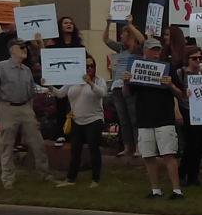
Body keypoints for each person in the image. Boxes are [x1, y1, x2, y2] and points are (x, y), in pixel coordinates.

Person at [123, 38, 185, 199]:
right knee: (148, 155)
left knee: (168, 154)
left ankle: (176, 190)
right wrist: (125, 82)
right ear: (145, 52)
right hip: (144, 118)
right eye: (153, 50)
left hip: (164, 117)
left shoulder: (168, 68)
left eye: (158, 50)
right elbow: (127, 94)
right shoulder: (137, 69)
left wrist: (170, 85)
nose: (156, 53)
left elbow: (180, 93)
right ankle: (155, 189)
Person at [0, 38, 54, 187]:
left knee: (38, 142)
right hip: (6, 107)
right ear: (11, 50)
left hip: (25, 107)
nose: (25, 50)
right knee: (7, 145)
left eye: (25, 47)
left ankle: (44, 174)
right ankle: (8, 180)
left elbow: (31, 94)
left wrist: (31, 111)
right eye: (21, 47)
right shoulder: (0, 67)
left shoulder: (26, 70)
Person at [46, 55, 107, 187]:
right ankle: (70, 179)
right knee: (75, 150)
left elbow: (102, 94)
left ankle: (95, 179)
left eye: (92, 66)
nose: (89, 68)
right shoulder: (72, 80)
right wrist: (49, 85)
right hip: (77, 120)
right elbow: (61, 94)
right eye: (87, 66)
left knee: (93, 148)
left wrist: (90, 83)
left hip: (94, 119)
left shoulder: (99, 80)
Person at [102, 14, 145, 157]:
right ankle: (128, 147)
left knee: (134, 118)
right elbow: (106, 39)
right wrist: (108, 24)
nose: (121, 36)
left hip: (131, 85)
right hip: (117, 86)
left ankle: (139, 147)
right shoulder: (121, 48)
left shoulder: (138, 49)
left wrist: (130, 25)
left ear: (129, 34)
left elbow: (141, 39)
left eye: (123, 33)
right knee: (124, 120)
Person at [46, 16, 84, 148]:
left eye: (71, 23)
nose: (69, 25)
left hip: (75, 80)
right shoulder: (53, 42)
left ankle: (76, 134)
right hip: (59, 80)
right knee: (61, 108)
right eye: (65, 23)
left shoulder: (78, 43)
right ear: (60, 27)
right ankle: (60, 134)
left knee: (76, 107)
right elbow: (46, 60)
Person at [176, 45, 202, 187]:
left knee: (199, 144)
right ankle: (182, 173)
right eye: (194, 58)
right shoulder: (181, 73)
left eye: (199, 58)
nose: (197, 60)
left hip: (201, 110)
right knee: (190, 143)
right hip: (186, 108)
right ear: (187, 59)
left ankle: (194, 176)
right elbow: (175, 92)